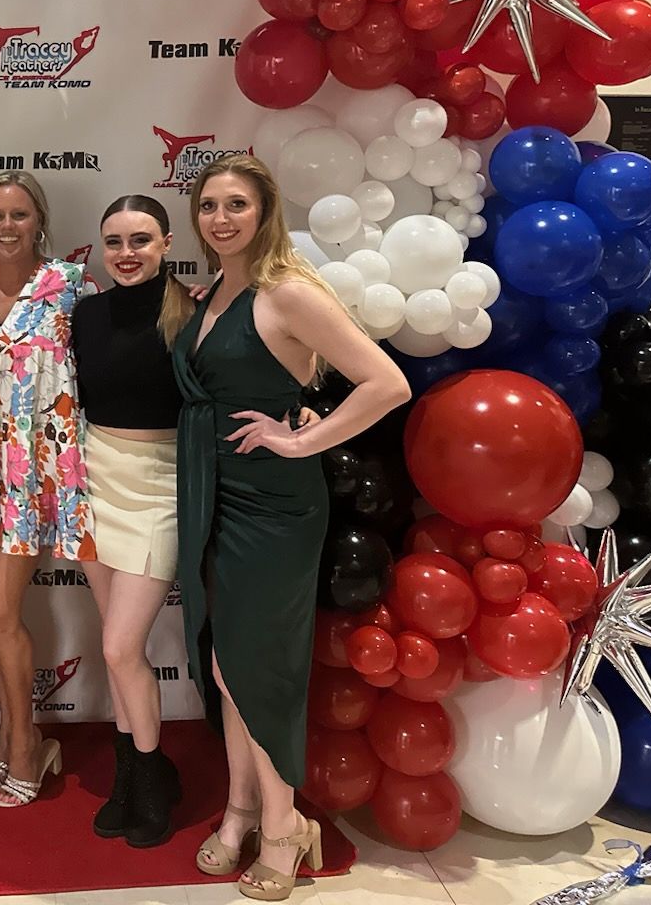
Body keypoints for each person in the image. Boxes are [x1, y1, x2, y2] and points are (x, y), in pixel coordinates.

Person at [173, 155, 409, 901]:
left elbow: (386, 382)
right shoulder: (214, 292)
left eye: (236, 204)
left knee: (259, 671)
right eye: (209, 205)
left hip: (273, 508)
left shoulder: (287, 290)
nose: (221, 218)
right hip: (216, 497)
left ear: (265, 210)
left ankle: (284, 827)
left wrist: (306, 438)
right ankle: (243, 807)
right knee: (224, 668)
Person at [0, 171, 93, 809]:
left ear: (40, 222)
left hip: (35, 474)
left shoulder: (72, 286)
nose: (8, 227)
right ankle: (8, 736)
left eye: (20, 215)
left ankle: (28, 743)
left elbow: (127, 335)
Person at [70, 195, 195, 847]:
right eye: (114, 241)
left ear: (167, 241)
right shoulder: (86, 314)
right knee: (115, 651)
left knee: (122, 646)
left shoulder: (192, 313)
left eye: (141, 239)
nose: (126, 253)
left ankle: (152, 778)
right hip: (94, 482)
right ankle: (131, 777)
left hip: (160, 489)